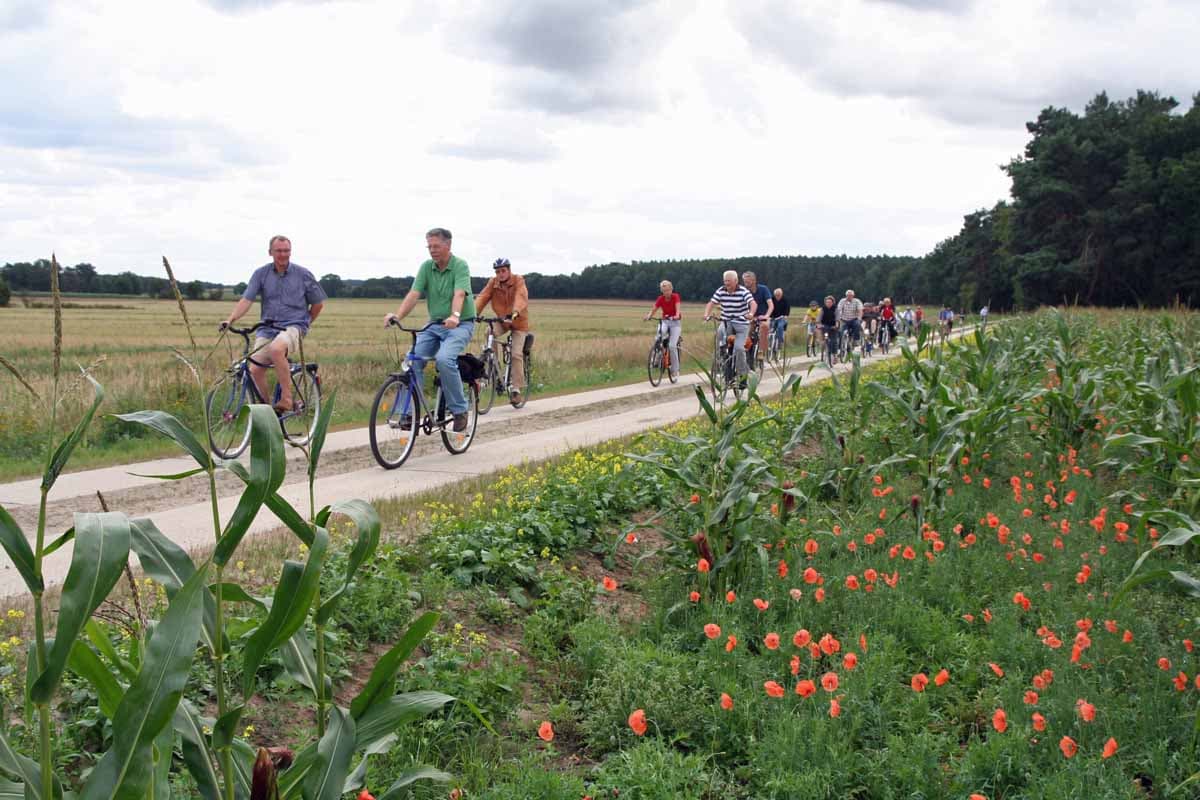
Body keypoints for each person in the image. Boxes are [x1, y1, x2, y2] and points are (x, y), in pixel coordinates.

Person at [220, 235, 326, 413]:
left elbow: (318, 304)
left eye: (287, 251)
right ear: (270, 252)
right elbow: (247, 300)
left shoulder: (303, 274)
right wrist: (230, 320)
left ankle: (286, 398)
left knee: (276, 350)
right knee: (254, 370)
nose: (283, 255)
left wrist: (305, 324)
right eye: (279, 251)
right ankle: (268, 413)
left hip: (293, 326)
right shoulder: (261, 274)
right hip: (267, 328)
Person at [383, 228, 475, 432]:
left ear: (448, 246)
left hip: (460, 324)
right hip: (434, 325)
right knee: (411, 361)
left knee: (444, 360)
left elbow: (459, 294)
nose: (432, 250)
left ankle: (460, 410)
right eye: (429, 246)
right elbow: (414, 294)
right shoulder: (426, 267)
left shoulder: (460, 266)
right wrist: (397, 316)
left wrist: (455, 316)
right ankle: (409, 413)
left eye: (436, 246)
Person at [475, 257, 531, 404]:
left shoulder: (518, 280)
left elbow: (521, 297)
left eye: (503, 271)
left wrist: (515, 312)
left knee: (516, 354)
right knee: (489, 332)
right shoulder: (493, 283)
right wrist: (473, 313)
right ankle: (494, 364)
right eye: (498, 271)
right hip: (502, 321)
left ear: (509, 270)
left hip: (518, 322)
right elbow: (482, 297)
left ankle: (516, 389)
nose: (500, 274)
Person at [704, 270, 756, 379]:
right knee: (719, 336)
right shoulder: (721, 290)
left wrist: (751, 313)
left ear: (736, 281)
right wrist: (706, 314)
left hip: (741, 323)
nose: (727, 283)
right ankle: (720, 362)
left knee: (738, 348)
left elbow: (753, 303)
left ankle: (743, 375)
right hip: (726, 322)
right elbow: (711, 303)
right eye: (725, 281)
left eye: (729, 281)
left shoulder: (743, 291)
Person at [643, 280, 682, 380]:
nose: (666, 293)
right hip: (665, 321)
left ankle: (675, 369)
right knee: (658, 337)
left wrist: (677, 315)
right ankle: (656, 358)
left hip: (675, 323)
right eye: (664, 291)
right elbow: (654, 309)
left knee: (672, 346)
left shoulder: (675, 297)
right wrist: (649, 316)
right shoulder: (660, 299)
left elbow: (678, 307)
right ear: (662, 291)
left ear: (671, 289)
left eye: (668, 290)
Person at [741, 271, 773, 353]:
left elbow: (771, 305)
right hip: (751, 316)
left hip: (763, 316)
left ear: (754, 281)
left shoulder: (763, 289)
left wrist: (766, 315)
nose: (745, 284)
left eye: (747, 282)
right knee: (745, 329)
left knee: (764, 327)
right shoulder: (744, 291)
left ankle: (761, 351)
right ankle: (746, 350)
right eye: (744, 282)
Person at [818, 295, 839, 359]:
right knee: (825, 337)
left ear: (832, 303)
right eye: (827, 302)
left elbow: (837, 318)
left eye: (830, 302)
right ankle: (824, 348)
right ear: (825, 303)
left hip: (833, 325)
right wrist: (819, 324)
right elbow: (819, 318)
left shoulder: (835, 309)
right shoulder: (822, 309)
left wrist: (836, 325)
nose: (828, 303)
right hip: (825, 325)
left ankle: (835, 355)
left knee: (834, 341)